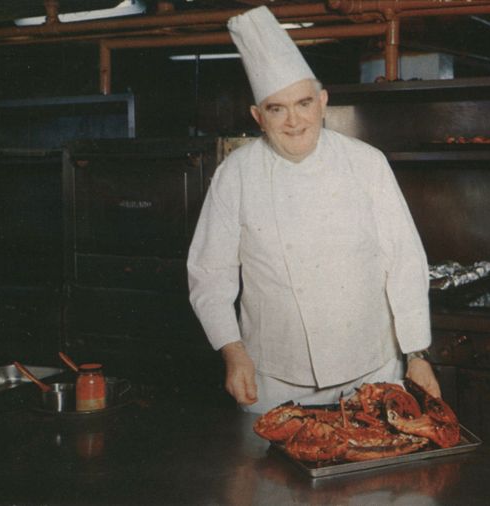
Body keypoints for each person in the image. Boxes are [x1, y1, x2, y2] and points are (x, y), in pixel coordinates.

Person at [187, 6, 439, 413]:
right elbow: (209, 274)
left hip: (371, 369)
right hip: (273, 377)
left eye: (303, 103)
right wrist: (232, 351)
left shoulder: (367, 162)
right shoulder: (235, 173)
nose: (294, 121)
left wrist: (417, 355)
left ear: (322, 102)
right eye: (276, 108)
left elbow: (405, 261)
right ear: (258, 117)